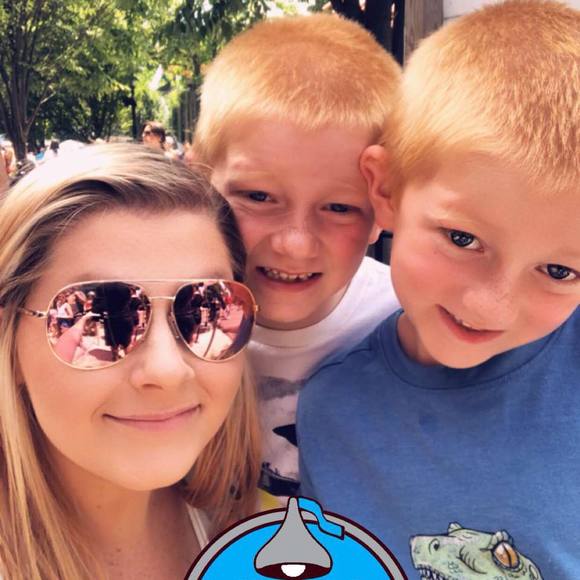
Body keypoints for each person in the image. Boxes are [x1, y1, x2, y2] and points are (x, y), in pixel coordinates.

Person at [298, 1, 580, 577]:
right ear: (386, 190)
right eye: (462, 238)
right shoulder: (332, 409)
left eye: (559, 271)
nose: (491, 305)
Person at [0, 144, 260, 579]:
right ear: (9, 344)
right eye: (99, 317)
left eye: (206, 309)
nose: (167, 370)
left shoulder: (254, 526)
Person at [193, 13, 402, 498]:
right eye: (258, 197)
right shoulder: (161, 321)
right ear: (199, 181)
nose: (295, 243)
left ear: (383, 209)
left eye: (339, 208)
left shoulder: (412, 329)